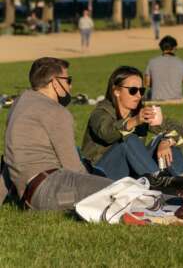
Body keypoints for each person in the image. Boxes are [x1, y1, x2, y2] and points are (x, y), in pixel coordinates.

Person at [2, 58, 113, 210]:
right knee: (120, 190)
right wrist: (94, 182)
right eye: (68, 80)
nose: (71, 85)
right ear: (55, 83)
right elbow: (72, 166)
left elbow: (9, 159)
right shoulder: (56, 111)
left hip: (26, 196)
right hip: (51, 192)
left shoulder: (20, 103)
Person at [81, 66, 183, 188]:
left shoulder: (139, 113)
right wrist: (135, 121)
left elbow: (177, 127)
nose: (139, 95)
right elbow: (107, 133)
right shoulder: (101, 112)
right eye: (133, 90)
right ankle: (159, 182)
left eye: (142, 90)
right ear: (116, 91)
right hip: (100, 175)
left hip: (130, 173)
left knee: (165, 141)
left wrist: (167, 141)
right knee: (129, 140)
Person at [145, 35, 183, 101]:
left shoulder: (152, 62)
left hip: (156, 100)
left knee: (148, 94)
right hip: (177, 100)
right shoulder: (182, 63)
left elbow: (147, 84)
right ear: (174, 48)